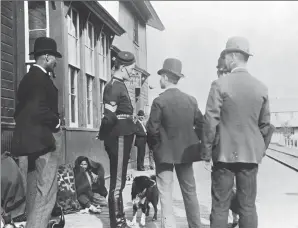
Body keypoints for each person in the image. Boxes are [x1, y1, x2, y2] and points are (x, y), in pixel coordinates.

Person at [203, 36, 271, 228]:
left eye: (225, 56)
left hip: (223, 156)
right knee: (248, 206)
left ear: (233, 56)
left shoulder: (219, 85)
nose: (224, 60)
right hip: (250, 157)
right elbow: (265, 125)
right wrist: (259, 150)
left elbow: (210, 121)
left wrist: (206, 153)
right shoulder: (261, 87)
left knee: (220, 206)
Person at [147, 58, 205, 228]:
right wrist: (197, 144)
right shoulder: (191, 100)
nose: (160, 80)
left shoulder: (159, 101)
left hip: (164, 155)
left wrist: (156, 148)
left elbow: (152, 130)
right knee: (190, 192)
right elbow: (201, 125)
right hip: (186, 153)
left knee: (165, 195)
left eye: (160, 77)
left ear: (165, 77)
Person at [11, 37, 63, 228]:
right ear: (47, 57)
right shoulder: (41, 79)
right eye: (54, 57)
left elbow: (21, 111)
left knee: (33, 191)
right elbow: (38, 109)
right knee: (46, 192)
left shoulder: (27, 78)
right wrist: (56, 122)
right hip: (45, 140)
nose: (56, 62)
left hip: (29, 143)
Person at [97, 51, 137, 228]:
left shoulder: (119, 85)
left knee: (119, 180)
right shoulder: (113, 86)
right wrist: (102, 134)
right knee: (118, 182)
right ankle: (117, 223)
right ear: (122, 67)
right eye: (132, 69)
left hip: (123, 135)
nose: (133, 72)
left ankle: (119, 219)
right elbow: (109, 117)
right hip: (119, 137)